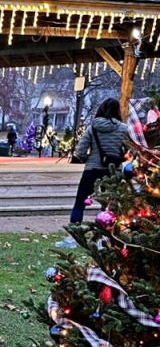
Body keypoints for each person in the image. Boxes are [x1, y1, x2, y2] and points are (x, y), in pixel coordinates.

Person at [56, 98, 129, 249]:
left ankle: (72, 238)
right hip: (113, 172)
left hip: (92, 170)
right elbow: (130, 150)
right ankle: (105, 240)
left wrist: (86, 158)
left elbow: (80, 151)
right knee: (109, 207)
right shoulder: (124, 129)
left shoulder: (93, 127)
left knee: (80, 203)